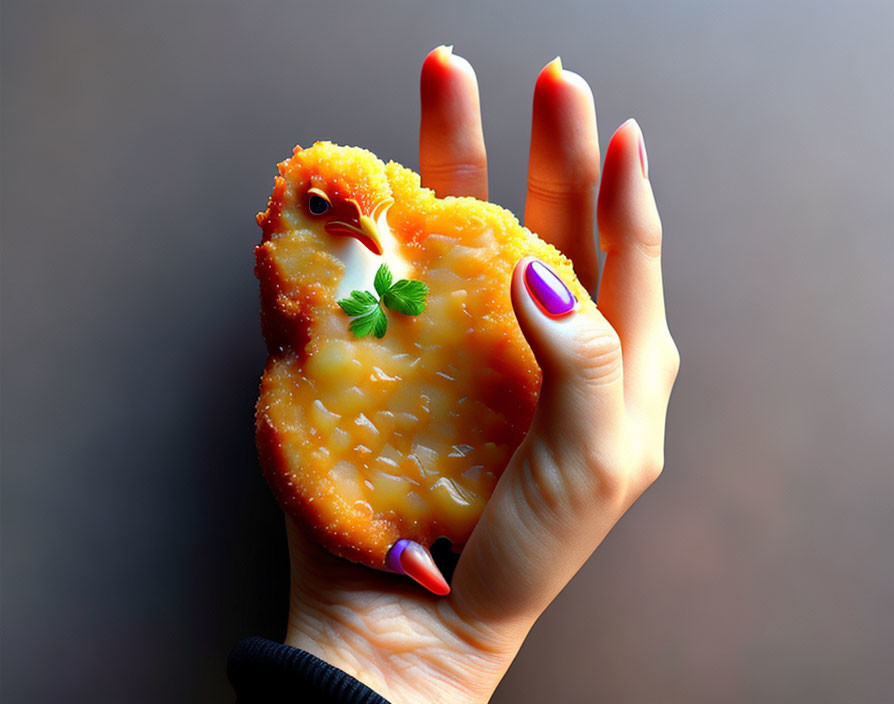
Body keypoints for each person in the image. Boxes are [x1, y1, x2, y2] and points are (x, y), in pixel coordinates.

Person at [229, 45, 679, 704]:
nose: (360, 228)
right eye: (327, 209)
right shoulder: (303, 383)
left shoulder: (458, 252)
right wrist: (410, 664)